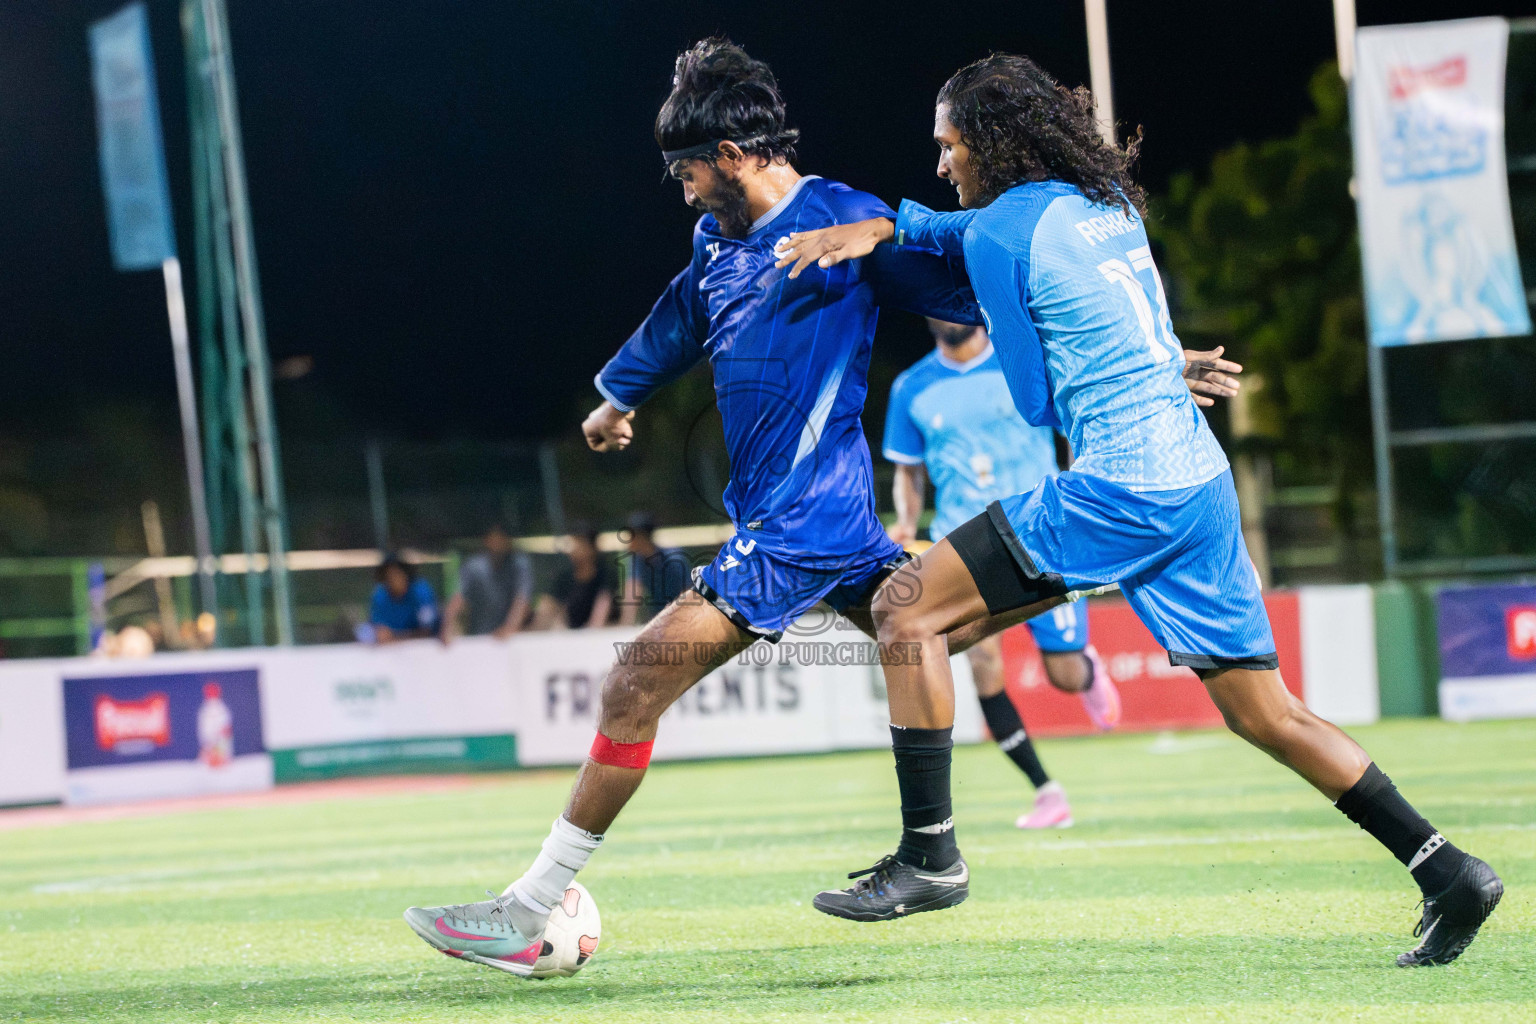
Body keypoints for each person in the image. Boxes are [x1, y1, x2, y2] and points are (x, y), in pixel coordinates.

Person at [402, 40, 1240, 974]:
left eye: (683, 172)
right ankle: (1127, 562)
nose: (678, 192)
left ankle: (528, 908)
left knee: (635, 680)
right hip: (838, 531)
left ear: (729, 156)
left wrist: (1153, 363)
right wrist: (618, 398)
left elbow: (999, 291)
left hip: (794, 532)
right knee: (921, 626)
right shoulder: (716, 239)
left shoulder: (846, 221)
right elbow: (685, 310)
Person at [773, 53, 1501, 964]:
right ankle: (1448, 871)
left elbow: (1036, 400)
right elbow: (1000, 253)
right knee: (1265, 713)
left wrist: (896, 238)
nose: (940, 162)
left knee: (904, 611)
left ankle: (931, 858)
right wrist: (889, 225)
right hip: (1196, 484)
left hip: (1122, 487)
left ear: (989, 143)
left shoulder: (1001, 234)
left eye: (947, 143)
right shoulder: (1106, 206)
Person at [885, 316, 1135, 828]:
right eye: (934, 310)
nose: (945, 317)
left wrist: (1082, 484)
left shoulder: (1022, 362)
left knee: (1064, 677)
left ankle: (1085, 668)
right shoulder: (911, 387)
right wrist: (907, 522)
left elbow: (1072, 427)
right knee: (983, 666)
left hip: (1042, 532)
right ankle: (1046, 791)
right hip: (962, 544)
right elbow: (908, 469)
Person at [441, 523, 533, 642]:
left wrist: (510, 628)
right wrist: (448, 626)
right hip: (479, 637)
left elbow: (522, 600)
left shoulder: (519, 564)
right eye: (494, 538)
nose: (497, 544)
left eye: (501, 539)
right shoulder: (474, 566)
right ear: (486, 540)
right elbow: (457, 598)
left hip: (510, 639)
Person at [534, 521, 617, 630]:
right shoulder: (565, 575)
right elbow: (548, 604)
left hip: (601, 632)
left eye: (578, 543)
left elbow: (603, 605)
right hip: (570, 631)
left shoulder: (604, 573)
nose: (572, 548)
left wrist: (592, 631)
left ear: (590, 547)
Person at [617, 511, 692, 626]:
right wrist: (625, 624)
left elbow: (687, 593)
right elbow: (632, 591)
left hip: (680, 618)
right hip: (657, 619)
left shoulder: (674, 559)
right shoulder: (637, 560)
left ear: (641, 537)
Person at [367, 553, 441, 642]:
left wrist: (396, 638)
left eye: (396, 574)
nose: (392, 580)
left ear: (405, 575)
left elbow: (428, 630)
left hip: (423, 647)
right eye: (388, 576)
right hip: (390, 650)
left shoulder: (421, 592)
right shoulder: (380, 595)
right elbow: (377, 629)